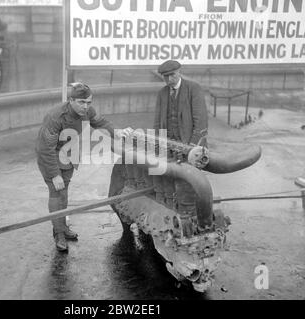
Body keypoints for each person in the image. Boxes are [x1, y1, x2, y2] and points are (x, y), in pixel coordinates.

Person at [36, 83, 132, 252]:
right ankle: (58, 233)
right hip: (50, 158)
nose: (86, 106)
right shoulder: (56, 116)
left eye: (88, 102)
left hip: (69, 156)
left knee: (64, 194)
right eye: (81, 102)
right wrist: (54, 175)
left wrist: (117, 132)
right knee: (56, 193)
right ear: (71, 100)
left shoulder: (87, 111)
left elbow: (100, 122)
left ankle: (63, 228)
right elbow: (45, 148)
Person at [153, 60, 208, 217]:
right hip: (169, 146)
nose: (169, 79)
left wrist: (191, 149)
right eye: (165, 77)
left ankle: (190, 214)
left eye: (172, 75)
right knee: (167, 178)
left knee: (188, 182)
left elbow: (201, 122)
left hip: (190, 146)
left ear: (179, 72)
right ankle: (171, 210)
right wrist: (157, 146)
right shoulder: (162, 93)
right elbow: (157, 123)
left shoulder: (193, 89)